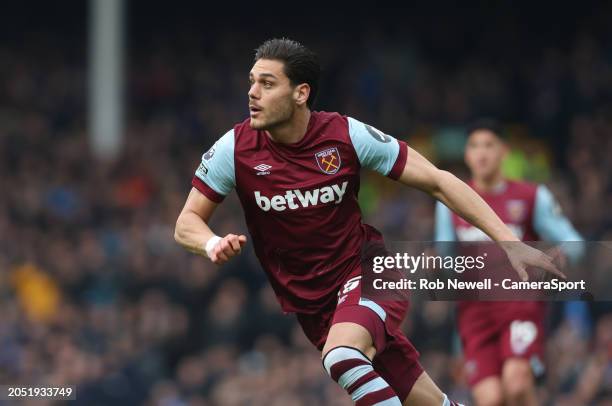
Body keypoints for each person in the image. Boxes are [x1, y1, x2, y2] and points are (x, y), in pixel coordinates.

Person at [174, 38, 561, 406]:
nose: (252, 92)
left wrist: (508, 242)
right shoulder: (235, 149)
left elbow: (439, 182)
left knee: (341, 357)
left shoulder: (345, 135)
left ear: (301, 93)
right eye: (252, 82)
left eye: (267, 83)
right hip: (314, 306)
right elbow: (187, 221)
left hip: (370, 273)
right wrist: (210, 243)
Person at [434, 120, 584, 406]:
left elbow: (572, 242)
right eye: (474, 146)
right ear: (466, 155)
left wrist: (562, 253)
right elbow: (446, 260)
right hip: (474, 316)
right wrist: (434, 265)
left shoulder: (531, 197)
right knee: (490, 399)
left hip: (520, 307)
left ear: (504, 151)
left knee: (516, 385)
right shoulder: (449, 203)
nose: (482, 153)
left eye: (489, 145)